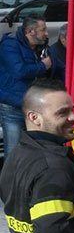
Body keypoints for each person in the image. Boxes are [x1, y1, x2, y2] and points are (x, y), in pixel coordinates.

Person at [0, 80, 74, 233]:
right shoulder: (53, 167)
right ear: (34, 118)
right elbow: (50, 231)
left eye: (72, 110)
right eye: (62, 113)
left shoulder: (17, 153)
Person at [0, 15, 51, 153]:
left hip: (32, 103)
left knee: (35, 148)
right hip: (12, 105)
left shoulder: (39, 46)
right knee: (14, 149)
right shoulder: (10, 44)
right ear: (30, 31)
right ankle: (11, 175)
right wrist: (42, 66)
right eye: (43, 30)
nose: (46, 33)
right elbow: (19, 71)